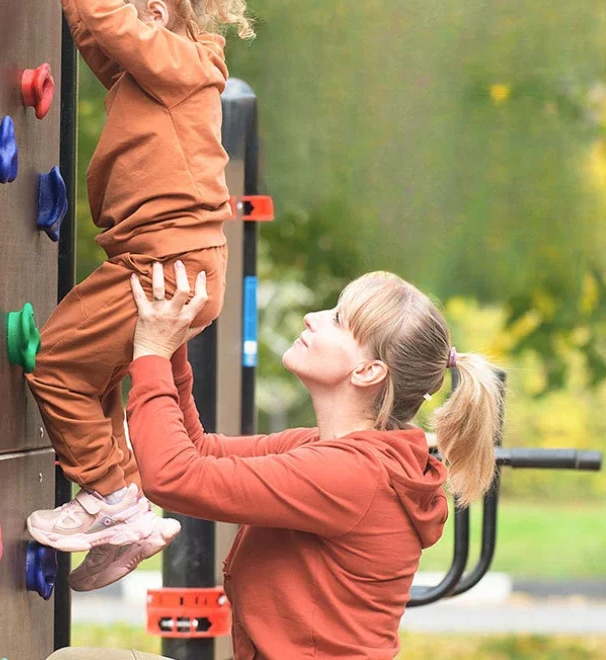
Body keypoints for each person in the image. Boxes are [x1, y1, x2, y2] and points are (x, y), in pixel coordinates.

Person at [52, 262, 504, 660]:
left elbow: (173, 477)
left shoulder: (353, 475)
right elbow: (200, 452)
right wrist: (172, 344)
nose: (313, 317)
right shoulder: (331, 451)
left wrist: (149, 353)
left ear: (368, 372)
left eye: (339, 319)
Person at [24, 0, 254, 593]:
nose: (113, 26)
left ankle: (114, 500)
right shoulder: (150, 74)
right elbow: (99, 33)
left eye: (126, 11)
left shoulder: (181, 66)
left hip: (163, 265)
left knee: (58, 366)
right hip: (170, 264)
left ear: (153, 17)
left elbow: (112, 27)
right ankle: (128, 518)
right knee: (92, 383)